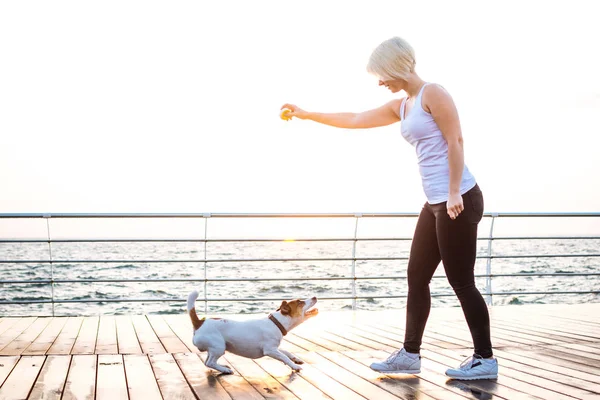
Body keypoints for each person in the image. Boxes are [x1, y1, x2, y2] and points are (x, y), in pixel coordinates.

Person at [281, 36, 498, 380]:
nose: (380, 82)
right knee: (416, 276)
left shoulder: (434, 93)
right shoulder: (404, 105)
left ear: (396, 67)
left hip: (459, 199)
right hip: (435, 203)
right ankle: (410, 355)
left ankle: (484, 360)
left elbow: (456, 140)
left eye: (382, 74)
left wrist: (455, 191)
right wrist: (308, 115)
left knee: (461, 281)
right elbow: (354, 118)